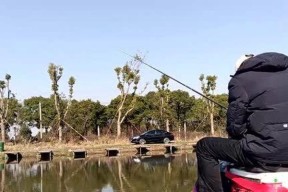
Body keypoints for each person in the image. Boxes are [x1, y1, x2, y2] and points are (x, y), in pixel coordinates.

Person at [195, 52, 288, 192]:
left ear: (240, 68)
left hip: (264, 153)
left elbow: (234, 127)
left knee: (204, 147)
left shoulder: (240, 79)